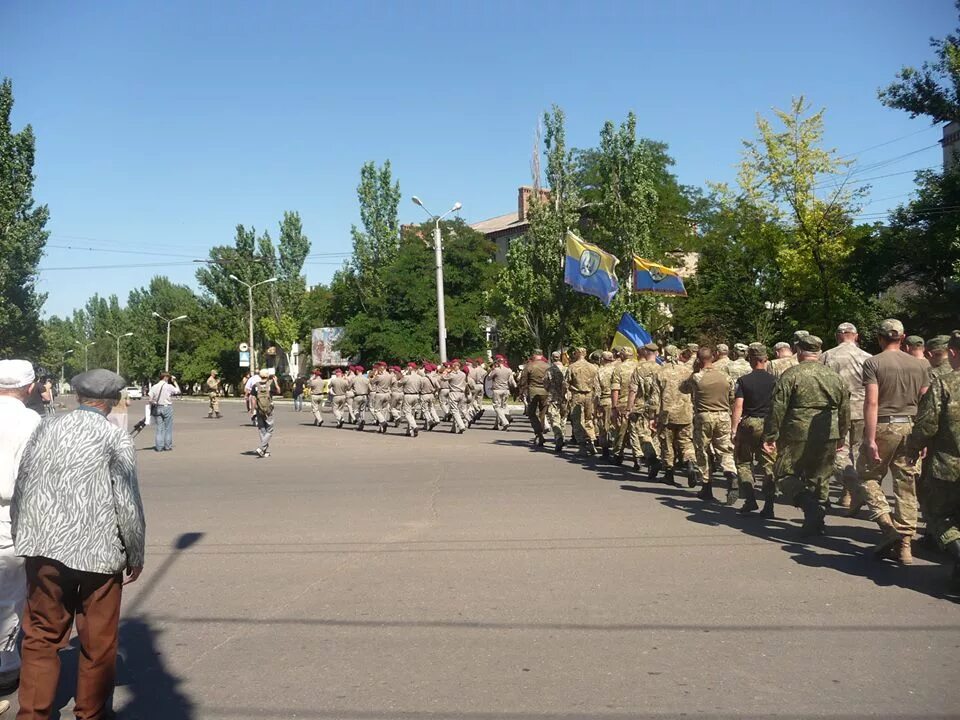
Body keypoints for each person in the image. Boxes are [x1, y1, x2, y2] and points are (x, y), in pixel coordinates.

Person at [12, 369, 145, 719]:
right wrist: (135, 553)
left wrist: (23, 535)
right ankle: (91, 714)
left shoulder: (46, 426)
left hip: (43, 549)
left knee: (41, 636)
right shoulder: (115, 438)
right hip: (98, 556)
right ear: (112, 402)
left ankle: (32, 714)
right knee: (98, 644)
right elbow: (127, 503)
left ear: (80, 397)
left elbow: (23, 482)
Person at [854, 319, 928, 564]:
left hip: (884, 424)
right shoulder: (920, 365)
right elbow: (925, 403)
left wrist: (870, 437)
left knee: (867, 476)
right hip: (911, 425)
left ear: (880, 338)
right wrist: (923, 436)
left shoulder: (874, 362)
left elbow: (872, 402)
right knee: (906, 483)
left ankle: (888, 527)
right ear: (903, 337)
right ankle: (905, 545)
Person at [763, 335, 850, 536]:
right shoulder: (834, 376)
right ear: (818, 352)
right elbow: (845, 408)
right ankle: (818, 517)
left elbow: (777, 407)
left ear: (799, 351)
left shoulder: (791, 374)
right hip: (828, 431)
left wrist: (770, 435)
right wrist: (843, 434)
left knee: (784, 473)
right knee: (820, 476)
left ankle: (808, 505)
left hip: (796, 431)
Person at [0, 361, 42, 701]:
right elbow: (34, 477)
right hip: (9, 517)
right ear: (29, 388)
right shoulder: (30, 420)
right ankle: (6, 667)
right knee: (9, 596)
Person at [906, 330, 960, 589]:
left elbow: (927, 424)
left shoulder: (945, 383)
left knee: (936, 516)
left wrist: (912, 449)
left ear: (953, 353)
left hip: (947, 467)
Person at [819, 322, 871, 507]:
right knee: (857, 452)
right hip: (862, 409)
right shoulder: (867, 358)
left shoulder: (827, 356)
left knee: (837, 452)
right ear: (855, 336)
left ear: (837, 336)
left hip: (835, 411)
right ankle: (850, 494)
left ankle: (852, 489)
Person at [681, 347, 738, 503]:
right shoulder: (726, 377)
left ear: (699, 359)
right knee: (724, 448)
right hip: (723, 416)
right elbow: (732, 397)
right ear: (713, 357)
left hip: (704, 416)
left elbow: (683, 388)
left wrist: (694, 369)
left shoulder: (697, 377)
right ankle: (731, 473)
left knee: (703, 450)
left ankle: (706, 486)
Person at [730, 344, 777, 516]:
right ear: (765, 359)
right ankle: (769, 505)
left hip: (749, 425)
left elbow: (738, 406)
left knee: (743, 462)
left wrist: (734, 429)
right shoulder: (775, 381)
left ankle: (750, 499)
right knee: (769, 465)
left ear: (751, 359)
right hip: (769, 425)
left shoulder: (744, 381)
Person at [649, 345, 695, 487]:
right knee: (686, 441)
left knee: (667, 444)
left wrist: (653, 416)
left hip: (667, 414)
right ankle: (690, 462)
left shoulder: (661, 372)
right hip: (685, 413)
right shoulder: (688, 371)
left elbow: (655, 397)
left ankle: (669, 474)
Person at [627, 343, 662, 477]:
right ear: (657, 354)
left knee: (643, 434)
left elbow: (633, 390)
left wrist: (629, 408)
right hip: (658, 406)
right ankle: (656, 458)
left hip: (642, 406)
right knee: (655, 435)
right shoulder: (661, 369)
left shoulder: (639, 369)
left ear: (646, 353)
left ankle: (652, 459)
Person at [566, 347, 599, 456]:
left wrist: (565, 393)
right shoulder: (593, 367)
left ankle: (582, 445)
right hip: (589, 395)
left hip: (577, 394)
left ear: (577, 354)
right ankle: (592, 441)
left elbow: (566, 383)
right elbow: (596, 384)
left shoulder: (572, 367)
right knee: (589, 419)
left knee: (577, 420)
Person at [610, 346, 640, 465]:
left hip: (622, 402)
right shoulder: (638, 367)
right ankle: (637, 455)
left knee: (620, 430)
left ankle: (618, 454)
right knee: (634, 431)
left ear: (622, 355)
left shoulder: (618, 368)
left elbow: (615, 389)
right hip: (637, 403)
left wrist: (614, 406)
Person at [519, 350, 550, 446]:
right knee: (543, 413)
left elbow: (523, 380)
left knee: (531, 413)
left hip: (533, 391)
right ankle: (541, 430)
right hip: (545, 391)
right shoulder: (548, 366)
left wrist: (521, 392)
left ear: (534, 355)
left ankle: (538, 432)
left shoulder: (530, 366)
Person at [149, 371, 181, 452]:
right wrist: (175, 382)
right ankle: (167, 446)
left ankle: (159, 447)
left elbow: (150, 399)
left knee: (159, 428)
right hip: (167, 407)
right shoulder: (168, 386)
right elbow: (178, 391)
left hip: (157, 407)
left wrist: (155, 402)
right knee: (168, 428)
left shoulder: (154, 386)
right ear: (166, 377)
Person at [252, 369, 281, 458]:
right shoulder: (270, 385)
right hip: (269, 410)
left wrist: (253, 409)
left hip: (259, 409)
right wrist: (275, 381)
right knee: (270, 429)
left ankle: (263, 451)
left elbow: (253, 398)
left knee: (262, 429)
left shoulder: (255, 386)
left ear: (260, 376)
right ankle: (261, 448)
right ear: (267, 376)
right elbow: (279, 391)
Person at [544, 351, 568, 453]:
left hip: (553, 396)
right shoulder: (566, 370)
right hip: (565, 397)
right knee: (563, 418)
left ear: (553, 358)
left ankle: (558, 436)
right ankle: (563, 435)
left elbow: (545, 383)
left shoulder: (549, 370)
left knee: (554, 418)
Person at [594, 351, 616, 458]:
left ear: (602, 359)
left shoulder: (600, 371)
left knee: (603, 425)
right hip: (617, 400)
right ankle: (617, 449)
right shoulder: (617, 370)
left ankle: (605, 450)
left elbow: (597, 390)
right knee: (616, 425)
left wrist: (596, 404)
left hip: (604, 400)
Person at [487, 355, 516, 431]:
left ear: (498, 362)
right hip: (506, 390)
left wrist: (491, 371)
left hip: (497, 390)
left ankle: (504, 421)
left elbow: (488, 378)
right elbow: (511, 381)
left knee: (496, 407)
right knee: (503, 407)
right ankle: (497, 423)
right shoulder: (509, 370)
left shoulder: (496, 370)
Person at [400, 362, 423, 437]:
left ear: (410, 368)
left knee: (407, 413)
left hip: (408, 395)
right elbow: (422, 386)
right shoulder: (420, 377)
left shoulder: (407, 377)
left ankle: (414, 426)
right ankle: (409, 431)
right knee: (411, 413)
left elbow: (399, 383)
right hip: (416, 395)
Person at [351, 366, 370, 431]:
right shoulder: (366, 379)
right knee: (362, 410)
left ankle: (359, 421)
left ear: (357, 371)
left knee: (355, 410)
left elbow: (348, 387)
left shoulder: (354, 379)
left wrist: (353, 389)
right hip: (365, 396)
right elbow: (370, 388)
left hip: (357, 396)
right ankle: (362, 421)